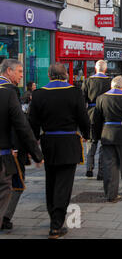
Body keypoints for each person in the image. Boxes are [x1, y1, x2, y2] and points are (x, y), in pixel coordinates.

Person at [29, 63, 90, 239]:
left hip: (49, 142)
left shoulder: (39, 94)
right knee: (64, 185)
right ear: (65, 75)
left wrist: (34, 142)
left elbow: (32, 122)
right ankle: (56, 224)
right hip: (69, 142)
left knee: (51, 182)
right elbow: (83, 118)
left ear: (49, 75)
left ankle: (54, 218)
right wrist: (86, 134)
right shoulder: (75, 92)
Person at [0, 85, 43, 231]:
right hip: (10, 152)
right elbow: (21, 127)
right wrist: (36, 154)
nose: (20, 75)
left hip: (11, 150)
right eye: (18, 71)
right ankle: (5, 216)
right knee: (14, 184)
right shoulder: (9, 94)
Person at [82, 60, 111, 180]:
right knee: (104, 143)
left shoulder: (88, 81)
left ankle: (89, 168)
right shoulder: (109, 81)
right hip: (105, 114)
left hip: (92, 113)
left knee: (91, 141)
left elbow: (83, 100)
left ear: (95, 68)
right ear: (105, 69)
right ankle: (101, 171)